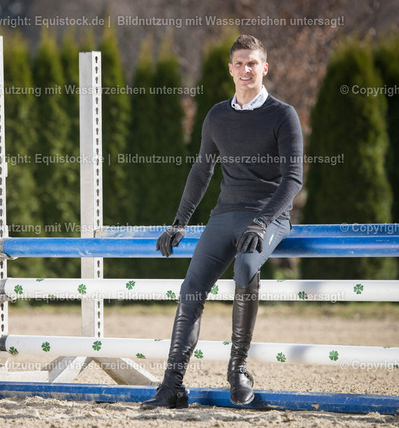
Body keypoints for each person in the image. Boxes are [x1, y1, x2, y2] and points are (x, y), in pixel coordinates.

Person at [141, 34, 303, 409]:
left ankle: (238, 370)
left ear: (265, 68)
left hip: (268, 216)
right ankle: (172, 386)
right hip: (225, 215)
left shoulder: (283, 115)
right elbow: (202, 171)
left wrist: (262, 222)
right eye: (239, 63)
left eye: (253, 63)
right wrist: (179, 222)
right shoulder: (216, 116)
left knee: (245, 268)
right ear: (230, 69)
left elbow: (294, 179)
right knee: (191, 289)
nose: (246, 69)